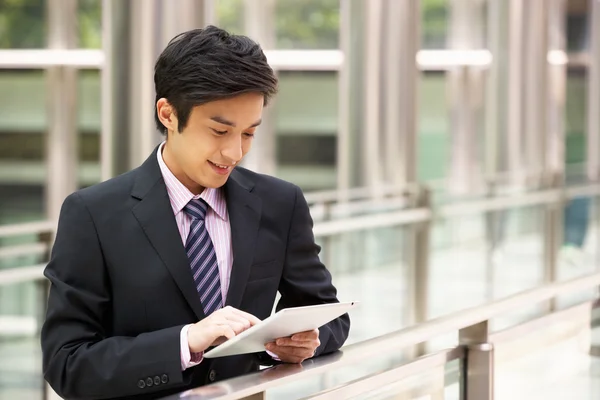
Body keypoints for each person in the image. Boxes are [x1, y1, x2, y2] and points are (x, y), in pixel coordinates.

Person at [41, 26, 350, 400]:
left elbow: (327, 313)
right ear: (168, 114)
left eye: (249, 133)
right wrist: (186, 341)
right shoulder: (92, 214)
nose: (235, 153)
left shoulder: (280, 203)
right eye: (220, 131)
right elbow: (67, 364)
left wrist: (305, 341)